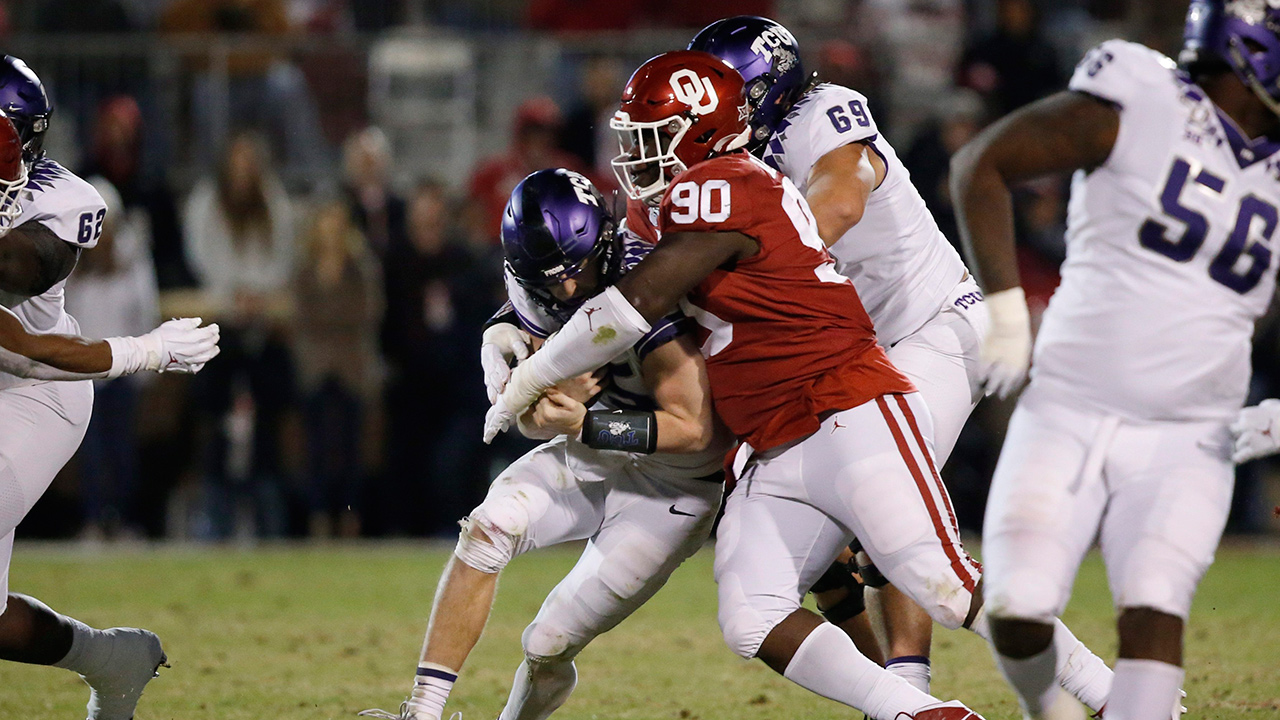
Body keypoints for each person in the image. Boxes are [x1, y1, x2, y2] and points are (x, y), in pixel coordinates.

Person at [487, 50, 983, 720]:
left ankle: (938, 693)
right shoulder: (695, 186)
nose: (648, 148)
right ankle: (905, 704)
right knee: (817, 572)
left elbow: (833, 203)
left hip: (911, 335)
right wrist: (504, 326)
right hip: (798, 383)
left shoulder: (810, 124)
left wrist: (780, 261)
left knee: (890, 534)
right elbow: (607, 270)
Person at [682, 16, 1113, 710]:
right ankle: (913, 702)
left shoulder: (819, 113)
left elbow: (843, 193)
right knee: (766, 592)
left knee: (894, 521)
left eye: (721, 96)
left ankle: (1109, 692)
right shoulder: (729, 163)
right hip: (841, 370)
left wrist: (769, 256)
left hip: (930, 330)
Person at [949, 1, 1279, 718]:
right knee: (1018, 609)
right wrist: (1007, 312)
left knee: (1154, 607)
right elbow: (984, 162)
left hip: (1191, 435)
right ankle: (1052, 709)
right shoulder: (1144, 93)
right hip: (1070, 403)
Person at [361, 168, 731, 720]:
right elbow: (537, 417)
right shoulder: (539, 282)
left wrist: (586, 424)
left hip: (674, 486)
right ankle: (422, 711)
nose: (563, 290)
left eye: (573, 271)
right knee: (488, 529)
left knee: (547, 644)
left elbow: (697, 429)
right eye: (546, 279)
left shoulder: (642, 286)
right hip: (595, 450)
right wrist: (511, 353)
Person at [0, 56, 219, 720]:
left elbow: (27, 282)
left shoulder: (67, 199)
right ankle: (112, 659)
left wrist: (143, 350)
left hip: (45, 387)